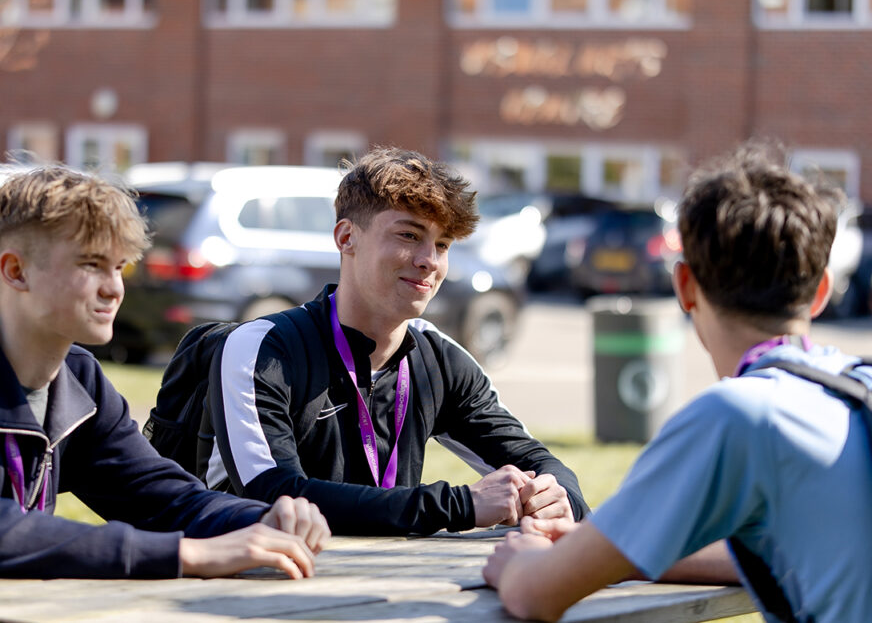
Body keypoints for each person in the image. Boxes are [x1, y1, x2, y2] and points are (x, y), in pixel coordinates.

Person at [0, 167, 329, 587]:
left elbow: (165, 502)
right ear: (15, 271)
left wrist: (265, 518)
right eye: (91, 264)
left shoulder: (78, 377)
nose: (114, 287)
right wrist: (189, 556)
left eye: (119, 266)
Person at [483, 143, 872, 622]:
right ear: (821, 293)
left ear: (684, 286)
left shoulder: (741, 415)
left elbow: (534, 596)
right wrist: (602, 550)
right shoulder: (857, 386)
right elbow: (790, 547)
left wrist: (523, 564)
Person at [201, 147, 588, 535]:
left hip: (383, 582)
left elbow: (538, 463)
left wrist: (559, 496)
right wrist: (459, 506)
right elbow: (276, 496)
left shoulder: (440, 359)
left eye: (442, 245)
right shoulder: (263, 349)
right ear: (347, 237)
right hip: (252, 585)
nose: (429, 261)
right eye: (409, 235)